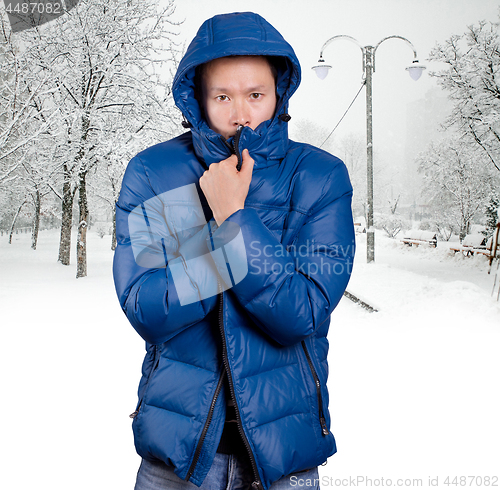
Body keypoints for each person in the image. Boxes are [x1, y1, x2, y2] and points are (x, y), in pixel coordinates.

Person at [113, 11, 355, 490]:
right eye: (222, 96)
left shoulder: (320, 178)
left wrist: (234, 218)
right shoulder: (154, 173)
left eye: (255, 95)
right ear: (197, 98)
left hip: (283, 457)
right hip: (176, 457)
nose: (241, 113)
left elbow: (299, 314)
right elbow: (148, 308)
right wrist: (224, 231)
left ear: (278, 93)